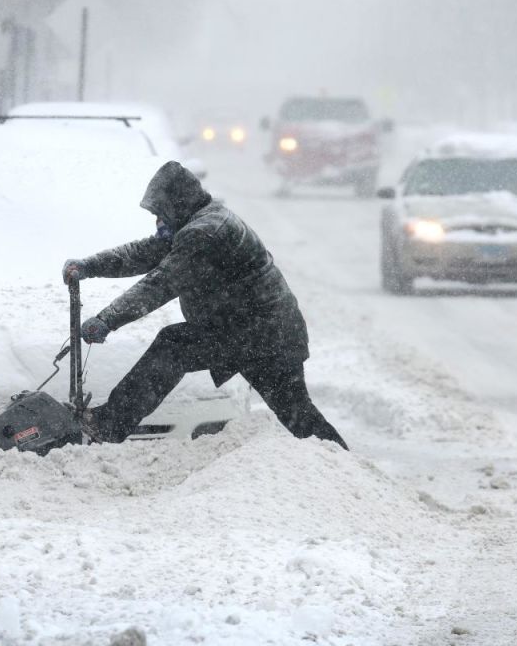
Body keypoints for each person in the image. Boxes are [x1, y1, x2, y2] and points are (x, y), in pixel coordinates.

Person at [62, 160, 348, 450]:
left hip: (260, 334)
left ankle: (110, 423)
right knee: (297, 413)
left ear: (176, 204)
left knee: (174, 345)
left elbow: (160, 284)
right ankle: (340, 463)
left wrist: (107, 319)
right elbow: (144, 253)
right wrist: (90, 266)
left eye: (159, 213)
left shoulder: (205, 233)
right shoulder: (196, 223)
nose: (157, 221)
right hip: (260, 332)